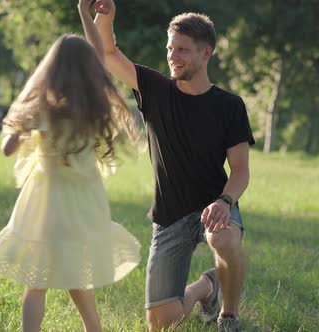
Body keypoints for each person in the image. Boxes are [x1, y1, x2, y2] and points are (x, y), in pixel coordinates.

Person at [82, 2, 255, 331]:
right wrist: (106, 17)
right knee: (160, 323)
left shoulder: (230, 106)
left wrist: (225, 201)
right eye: (170, 48)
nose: (173, 56)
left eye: (183, 50)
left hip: (215, 206)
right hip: (169, 215)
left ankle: (228, 315)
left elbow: (241, 171)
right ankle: (207, 286)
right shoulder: (155, 89)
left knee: (224, 240)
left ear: (206, 53)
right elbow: (106, 54)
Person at [0, 3, 142, 330]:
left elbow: (8, 150)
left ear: (49, 70)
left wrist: (18, 120)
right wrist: (84, 11)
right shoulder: (93, 106)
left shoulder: (43, 107)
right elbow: (97, 57)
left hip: (45, 202)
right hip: (84, 202)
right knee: (76, 271)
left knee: (36, 282)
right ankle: (94, 329)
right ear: (88, 72)